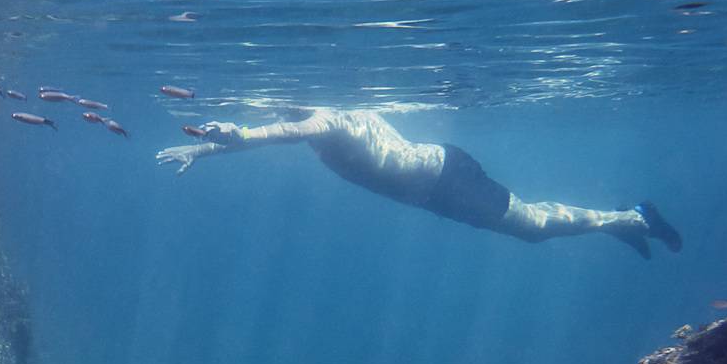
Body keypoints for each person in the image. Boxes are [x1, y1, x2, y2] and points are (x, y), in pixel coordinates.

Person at [155, 108, 681, 257]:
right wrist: (202, 149)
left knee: (534, 227)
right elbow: (276, 130)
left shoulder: (326, 120)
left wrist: (239, 133)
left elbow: (285, 131)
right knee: (530, 223)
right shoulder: (308, 120)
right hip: (436, 188)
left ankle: (633, 218)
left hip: (447, 181)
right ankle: (621, 223)